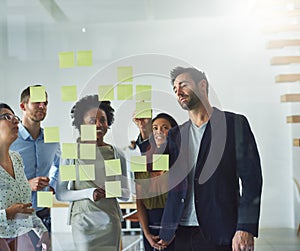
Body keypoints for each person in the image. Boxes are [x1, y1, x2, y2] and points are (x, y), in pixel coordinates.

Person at [156, 67, 263, 251]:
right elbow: (153, 171)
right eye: (175, 89)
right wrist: (144, 133)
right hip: (180, 232)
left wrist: (245, 227)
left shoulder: (234, 124)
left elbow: (252, 180)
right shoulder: (175, 135)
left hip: (221, 231)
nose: (178, 92)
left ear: (202, 85)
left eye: (183, 85)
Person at [56, 95, 130, 251]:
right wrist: (90, 192)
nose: (98, 125)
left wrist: (108, 191)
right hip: (83, 223)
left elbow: (125, 194)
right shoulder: (72, 153)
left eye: (102, 120)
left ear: (108, 123)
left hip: (110, 222)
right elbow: (61, 193)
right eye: (92, 120)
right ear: (81, 124)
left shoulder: (116, 153)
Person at [10, 85, 60, 249]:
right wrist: (27, 184)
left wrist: (52, 184)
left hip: (43, 211)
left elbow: (59, 164)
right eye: (37, 103)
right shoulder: (10, 140)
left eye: (45, 103)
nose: (42, 107)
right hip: (16, 213)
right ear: (23, 106)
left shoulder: (52, 140)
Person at [0, 103, 50, 251]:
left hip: (19, 237)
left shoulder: (16, 158)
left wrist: (42, 230)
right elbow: (14, 211)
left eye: (15, 117)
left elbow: (24, 206)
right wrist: (7, 214)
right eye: (6, 117)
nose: (15, 120)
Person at [135, 113, 178, 251]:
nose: (159, 131)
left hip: (177, 228)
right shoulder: (143, 162)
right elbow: (140, 202)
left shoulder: (181, 161)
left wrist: (173, 232)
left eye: (165, 127)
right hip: (150, 227)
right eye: (155, 128)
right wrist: (147, 233)